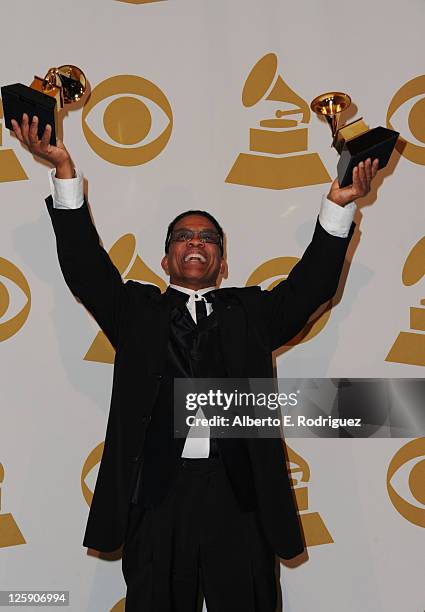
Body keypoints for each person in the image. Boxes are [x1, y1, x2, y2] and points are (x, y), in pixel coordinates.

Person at [11, 114, 378, 612]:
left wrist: (336, 207)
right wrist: (63, 169)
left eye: (208, 239)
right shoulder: (135, 312)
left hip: (238, 498)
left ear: (222, 263)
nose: (196, 243)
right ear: (165, 261)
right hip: (157, 497)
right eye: (183, 237)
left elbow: (310, 288)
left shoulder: (251, 314)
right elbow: (84, 266)